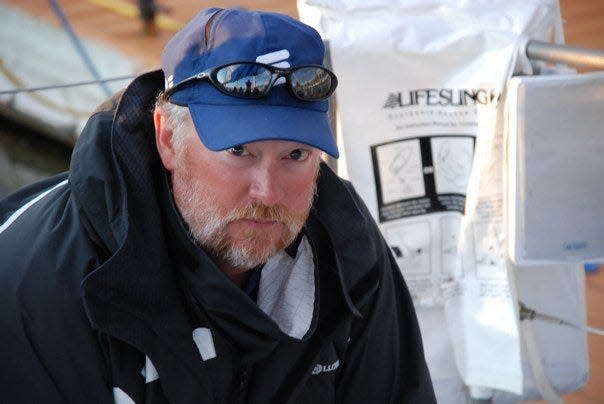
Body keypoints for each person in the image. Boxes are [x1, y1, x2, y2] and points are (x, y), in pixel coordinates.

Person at [0, 7, 435, 403]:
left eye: (296, 156)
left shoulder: (347, 256)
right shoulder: (35, 283)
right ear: (168, 139)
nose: (267, 192)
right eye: (239, 151)